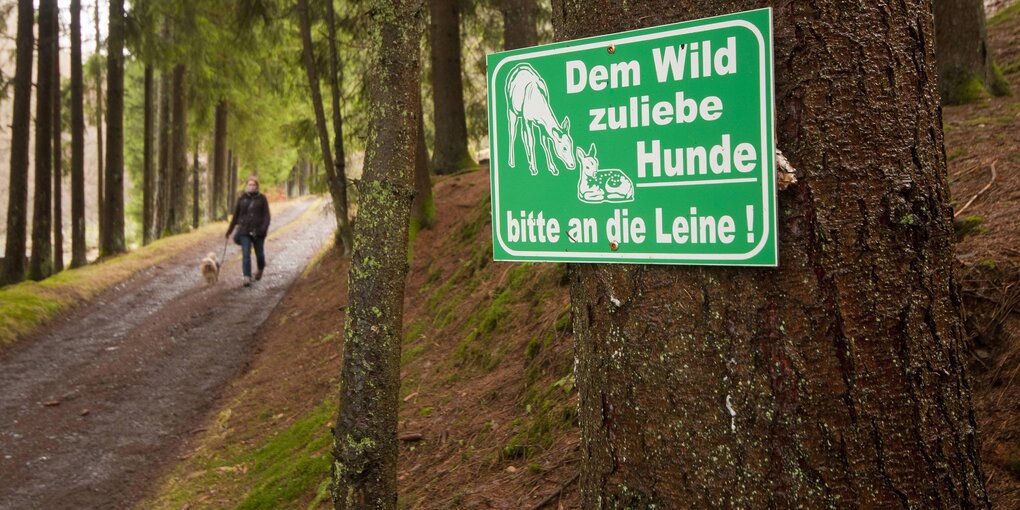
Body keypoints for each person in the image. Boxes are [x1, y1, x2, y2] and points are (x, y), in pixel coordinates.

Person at [226, 176, 271, 287]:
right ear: (246, 186)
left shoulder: (262, 199)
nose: (251, 187)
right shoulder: (242, 198)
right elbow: (236, 215)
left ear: (257, 186)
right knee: (246, 253)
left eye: (253, 185)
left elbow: (267, 216)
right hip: (244, 231)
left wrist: (263, 229)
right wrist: (229, 231)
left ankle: (260, 268)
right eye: (249, 184)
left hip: (258, 232)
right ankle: (247, 276)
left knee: (259, 254)